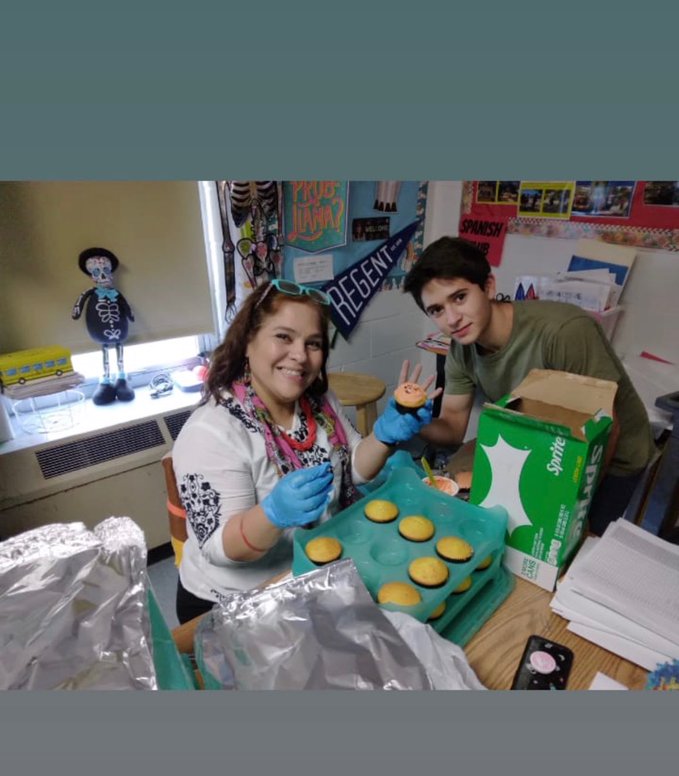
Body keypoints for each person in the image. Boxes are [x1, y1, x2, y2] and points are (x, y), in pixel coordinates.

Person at [172, 278, 439, 623]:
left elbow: (354, 469)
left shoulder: (318, 400)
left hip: (311, 573)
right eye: (283, 337)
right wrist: (271, 514)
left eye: (313, 343)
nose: (300, 356)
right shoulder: (211, 432)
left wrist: (384, 437)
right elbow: (220, 548)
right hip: (238, 603)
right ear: (248, 340)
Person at [403, 237, 655, 536]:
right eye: (437, 310)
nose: (452, 319)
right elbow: (453, 427)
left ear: (488, 287)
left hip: (612, 460)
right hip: (544, 444)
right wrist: (411, 419)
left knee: (572, 543)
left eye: (459, 297)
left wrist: (573, 507)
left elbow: (606, 428)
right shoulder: (461, 349)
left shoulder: (563, 331)